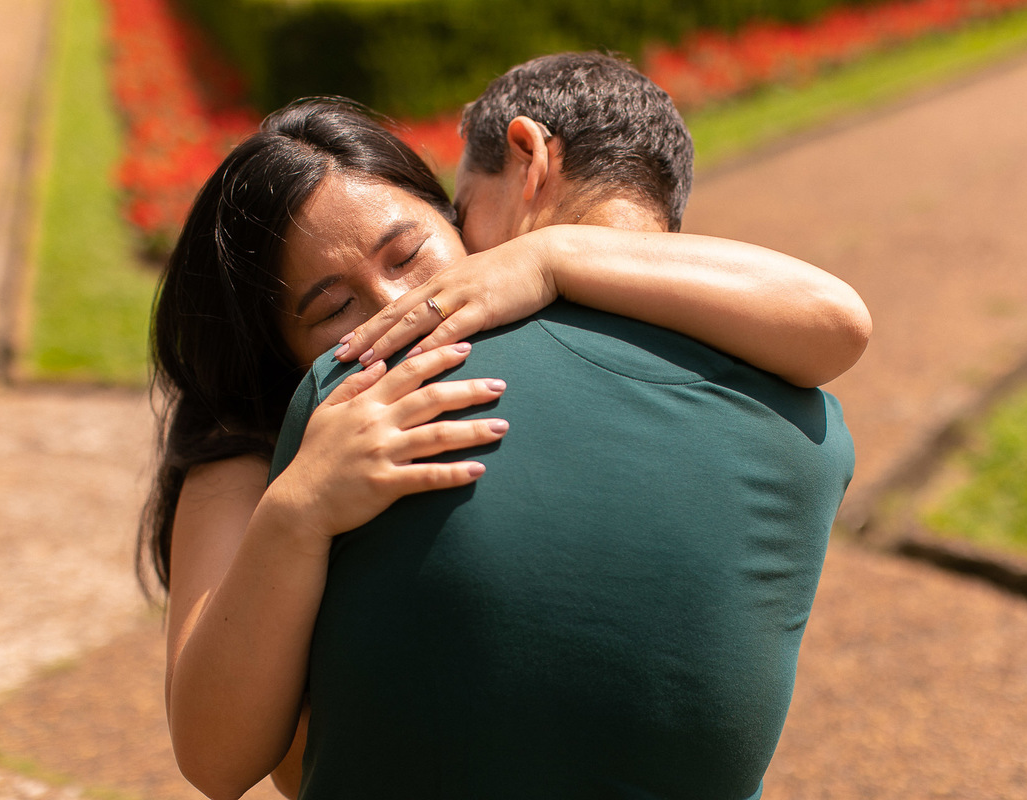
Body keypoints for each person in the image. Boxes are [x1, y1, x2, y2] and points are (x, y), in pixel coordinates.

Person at [261, 53, 861, 799]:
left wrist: (548, 254)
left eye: (463, 209)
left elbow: (292, 760)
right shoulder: (814, 431)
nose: (465, 248)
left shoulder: (371, 388)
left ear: (528, 156)